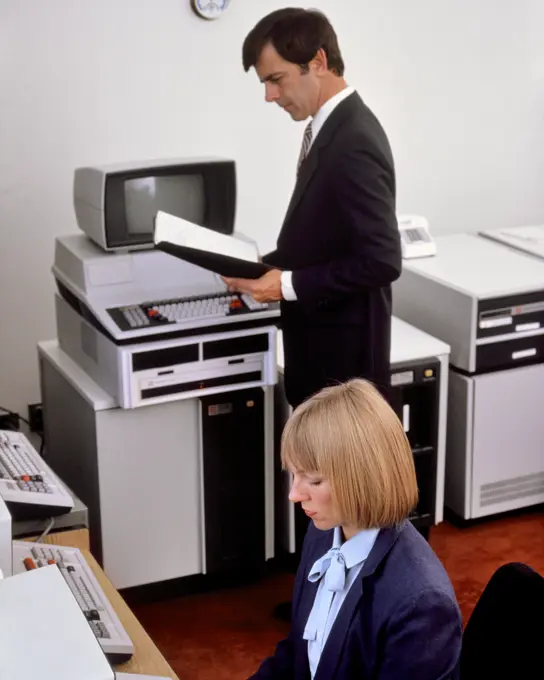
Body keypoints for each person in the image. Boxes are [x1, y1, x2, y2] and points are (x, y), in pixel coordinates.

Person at [223, 8, 401, 412]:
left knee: (335, 476)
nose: (269, 96)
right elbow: (324, 235)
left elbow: (381, 261)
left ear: (317, 62)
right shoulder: (328, 128)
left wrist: (285, 285)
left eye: (275, 79)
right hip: (321, 357)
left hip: (343, 371)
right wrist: (258, 269)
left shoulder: (353, 139)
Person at [249, 379, 462, 680]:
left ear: (361, 478)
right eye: (294, 475)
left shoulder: (422, 606)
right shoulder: (322, 531)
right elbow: (296, 652)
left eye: (314, 480)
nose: (294, 494)